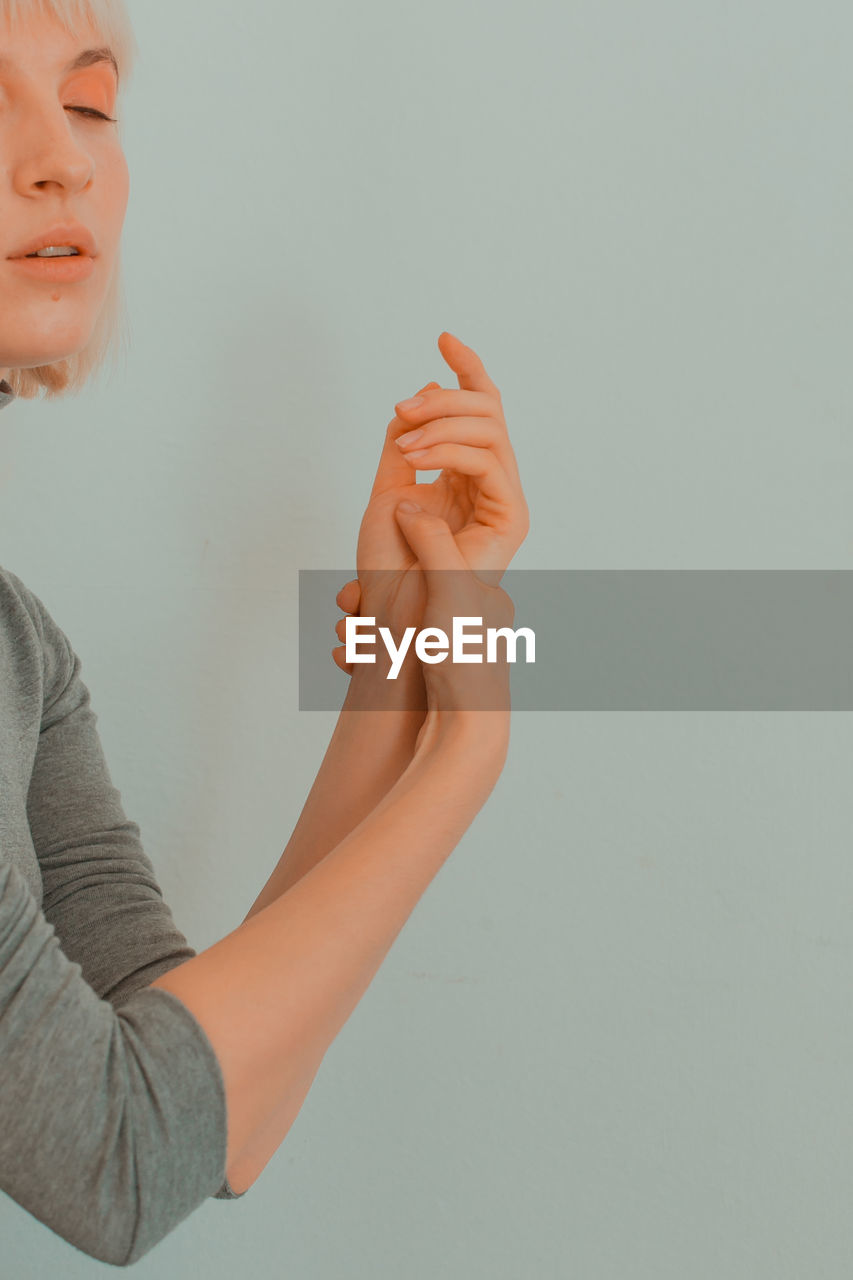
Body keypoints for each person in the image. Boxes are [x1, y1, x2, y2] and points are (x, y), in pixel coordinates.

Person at [0, 0, 529, 1267]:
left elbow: (216, 1116)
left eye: (87, 103)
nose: (60, 155)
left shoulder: (21, 642)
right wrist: (467, 754)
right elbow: (116, 1159)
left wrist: (402, 649)